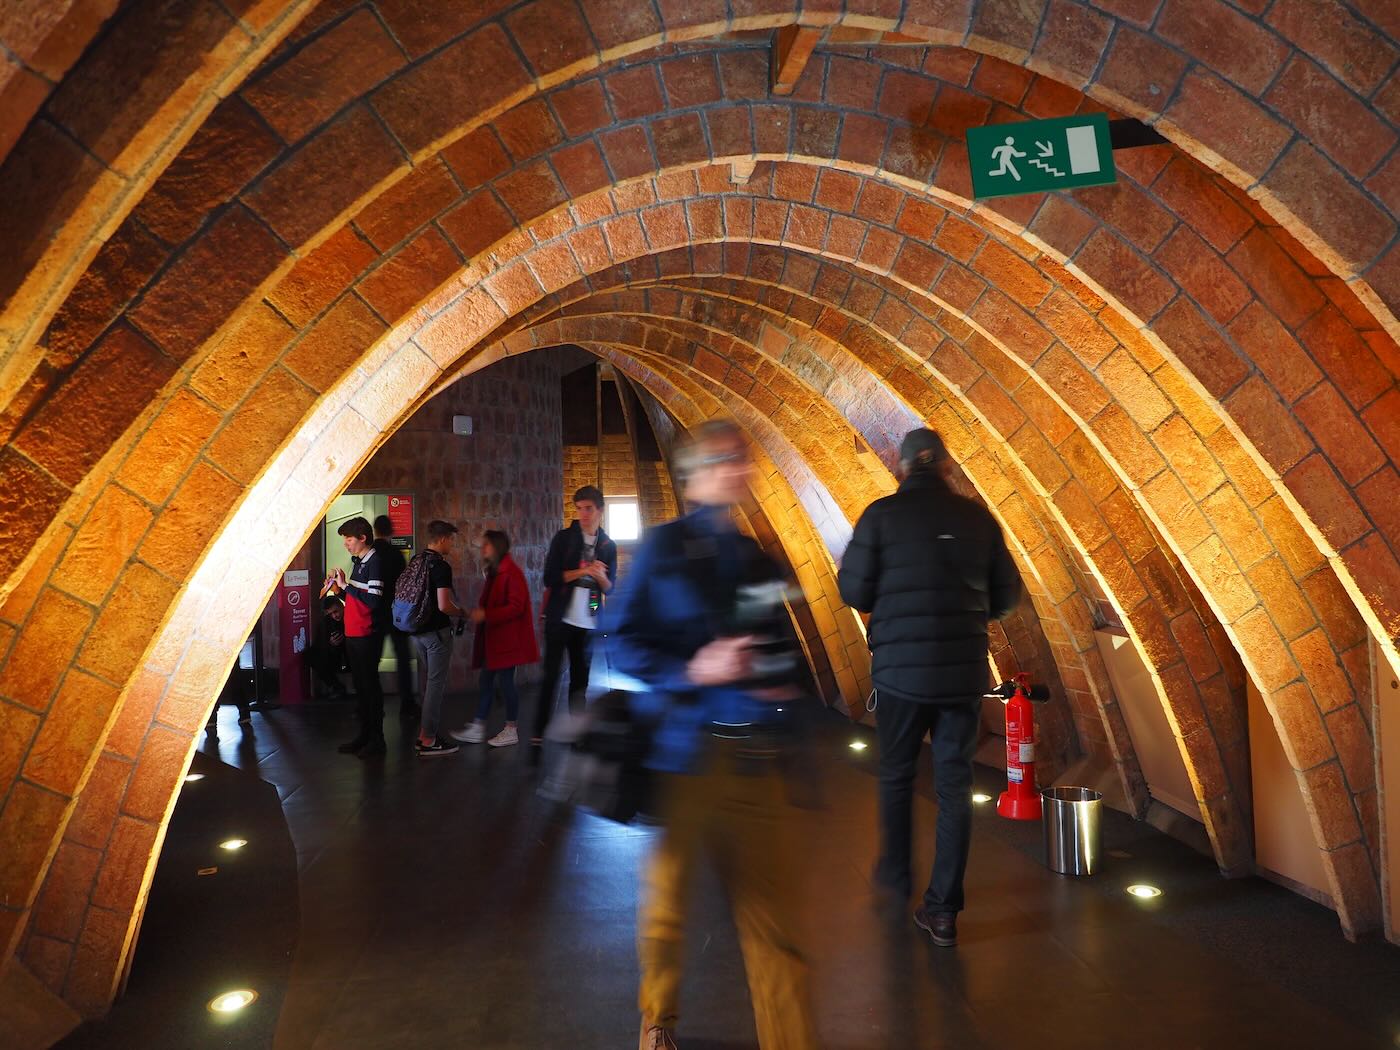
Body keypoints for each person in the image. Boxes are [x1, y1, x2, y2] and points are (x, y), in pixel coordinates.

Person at [605, 419, 817, 1050]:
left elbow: (778, 645)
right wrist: (690, 669)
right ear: (695, 475)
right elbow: (620, 635)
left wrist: (778, 679)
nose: (740, 469)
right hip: (684, 760)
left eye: (744, 459)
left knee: (773, 920)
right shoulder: (663, 548)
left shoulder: (754, 556)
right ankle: (657, 1026)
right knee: (667, 908)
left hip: (754, 758)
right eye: (727, 459)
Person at [837, 427, 1021, 948]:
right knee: (954, 788)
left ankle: (896, 880)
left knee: (896, 776)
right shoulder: (976, 519)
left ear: (900, 466)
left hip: (898, 675)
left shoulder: (880, 516)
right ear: (945, 465)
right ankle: (942, 910)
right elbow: (1007, 598)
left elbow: (853, 589)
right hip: (961, 676)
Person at [531, 485, 617, 749]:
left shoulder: (607, 545)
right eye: (579, 508)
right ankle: (538, 734)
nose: (583, 514)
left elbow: (610, 587)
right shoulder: (564, 539)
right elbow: (550, 578)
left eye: (588, 508)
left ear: (600, 510)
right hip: (561, 618)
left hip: (589, 620)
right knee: (551, 676)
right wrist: (583, 571)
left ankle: (577, 732)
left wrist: (600, 576)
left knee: (581, 680)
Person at [452, 530, 538, 748]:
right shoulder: (497, 572)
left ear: (496, 547)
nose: (483, 549)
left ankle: (511, 729)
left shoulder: (510, 573)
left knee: (506, 683)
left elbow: (516, 607)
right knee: (487, 680)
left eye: (487, 545)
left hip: (507, 640)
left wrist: (487, 615)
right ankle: (479, 725)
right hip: (497, 639)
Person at [327, 515, 388, 757]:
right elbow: (357, 599)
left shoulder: (375, 561)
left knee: (370, 687)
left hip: (367, 634)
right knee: (361, 688)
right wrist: (339, 589)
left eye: (349, 539)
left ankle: (377, 739)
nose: (346, 543)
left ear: (363, 538)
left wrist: (345, 587)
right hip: (354, 632)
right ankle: (365, 735)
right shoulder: (360, 561)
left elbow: (373, 599)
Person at [409, 520, 468, 757]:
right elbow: (444, 605)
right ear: (443, 539)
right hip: (436, 634)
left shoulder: (416, 560)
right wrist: (463, 612)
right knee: (435, 685)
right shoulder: (440, 566)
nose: (452, 545)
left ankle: (426, 734)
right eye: (451, 540)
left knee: (429, 683)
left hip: (417, 632)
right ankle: (428, 738)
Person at [374, 514, 417, 722]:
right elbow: (404, 585)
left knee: (372, 660)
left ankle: (372, 705)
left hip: (375, 613)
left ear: (375, 531)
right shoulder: (396, 555)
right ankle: (407, 703)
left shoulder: (370, 553)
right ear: (391, 531)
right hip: (396, 613)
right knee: (402, 659)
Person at [309, 595, 349, 700]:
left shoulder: (350, 616)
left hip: (351, 653)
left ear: (342, 606)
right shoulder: (326, 622)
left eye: (335, 611)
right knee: (311, 655)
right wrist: (331, 644)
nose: (334, 616)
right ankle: (336, 687)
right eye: (330, 614)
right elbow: (319, 645)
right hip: (334, 655)